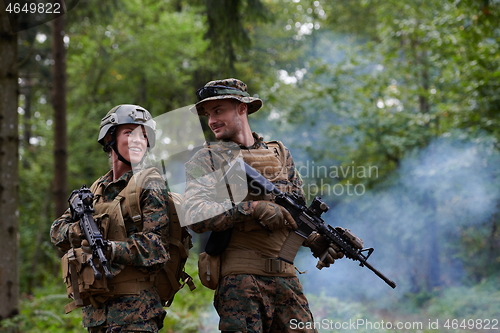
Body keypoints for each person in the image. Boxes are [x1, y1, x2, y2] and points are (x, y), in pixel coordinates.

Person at [182, 78, 343, 333]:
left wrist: (313, 238)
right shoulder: (207, 158)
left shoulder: (279, 153)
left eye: (218, 110)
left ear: (242, 108)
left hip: (286, 281)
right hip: (241, 283)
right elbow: (194, 215)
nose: (211, 120)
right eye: (208, 114)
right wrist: (252, 209)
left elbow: (293, 212)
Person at [50, 104, 170, 333]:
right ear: (109, 138)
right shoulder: (95, 190)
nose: (138, 140)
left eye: (144, 136)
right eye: (129, 133)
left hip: (136, 315)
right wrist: (80, 231)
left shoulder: (149, 185)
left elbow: (157, 248)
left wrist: (110, 249)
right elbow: (57, 231)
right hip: (97, 316)